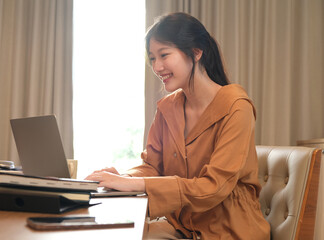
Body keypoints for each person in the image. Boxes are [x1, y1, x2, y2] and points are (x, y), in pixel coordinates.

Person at [85, 12, 270, 239]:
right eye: (152, 58)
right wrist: (123, 178)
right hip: (182, 225)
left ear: (196, 52)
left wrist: (131, 184)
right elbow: (153, 166)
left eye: (164, 54)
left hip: (229, 230)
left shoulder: (236, 107)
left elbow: (214, 187)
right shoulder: (167, 108)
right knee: (109, 234)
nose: (157, 66)